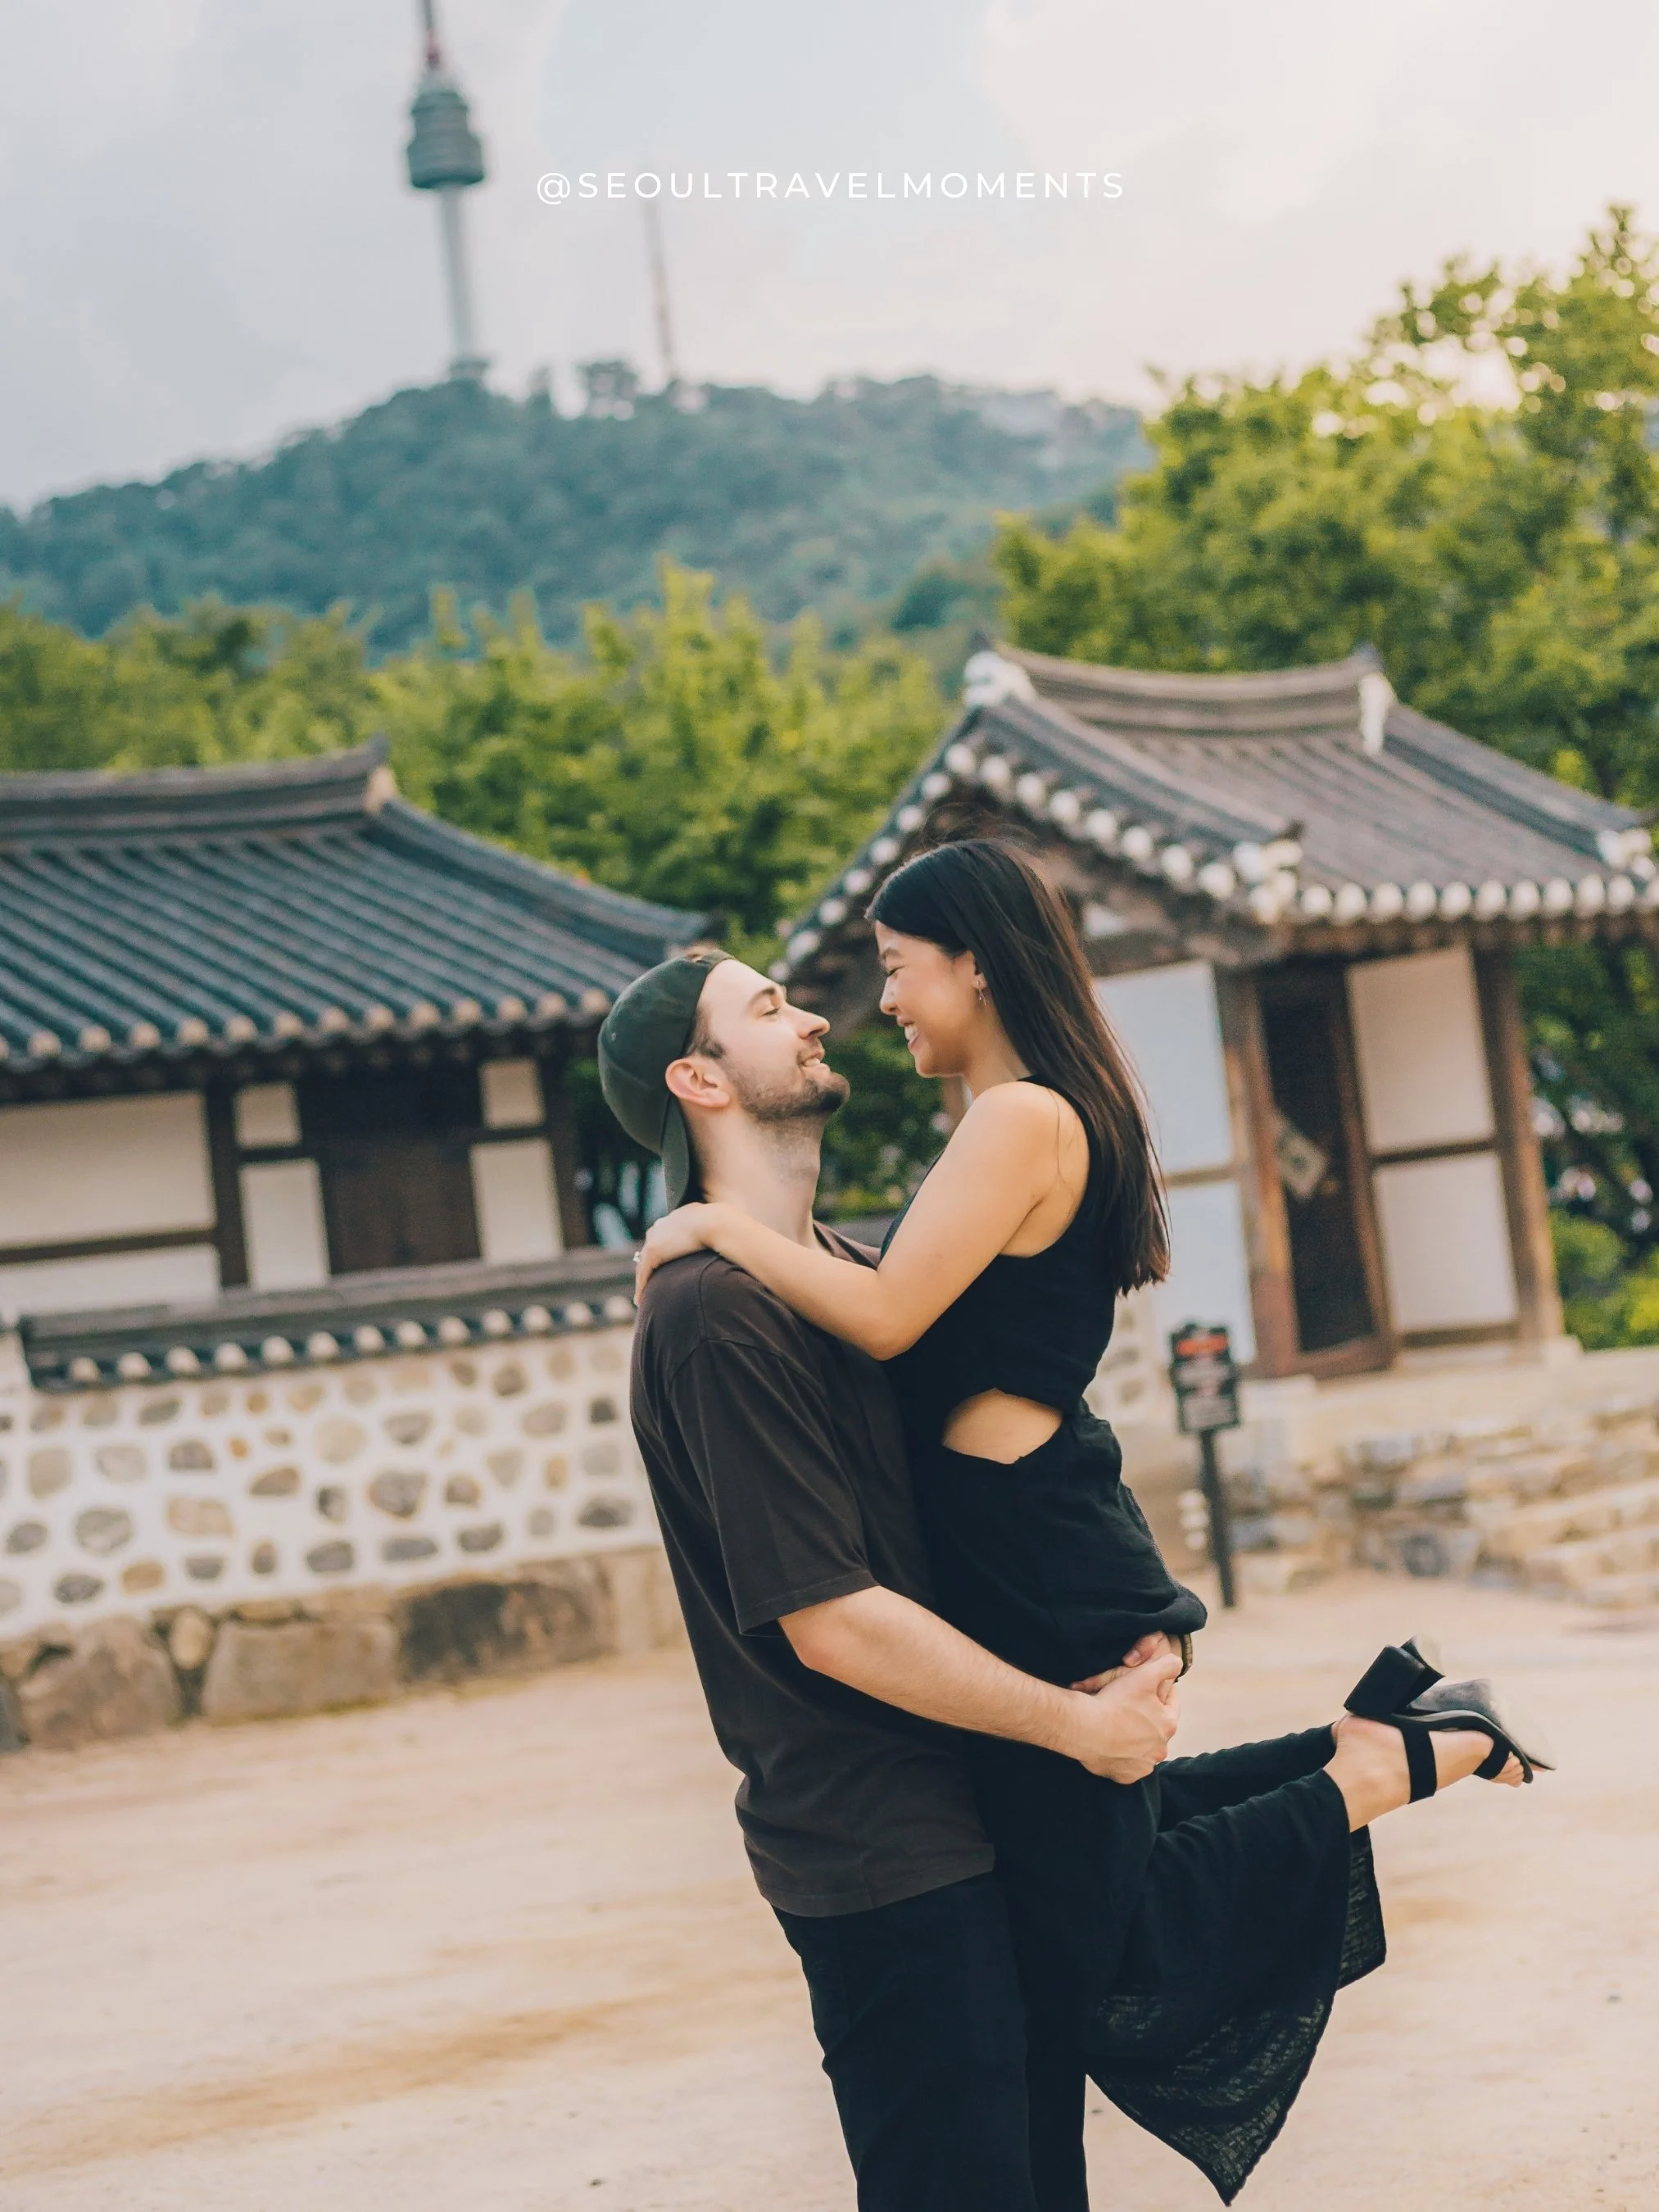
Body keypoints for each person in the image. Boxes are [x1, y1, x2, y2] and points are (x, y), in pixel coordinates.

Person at [636, 841, 1543, 2207]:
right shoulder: (759, 1293)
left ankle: (1385, 1761)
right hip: (979, 1650)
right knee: (1102, 1894)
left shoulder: (965, 1158)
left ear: (977, 961)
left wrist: (710, 1226)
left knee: (1106, 1912)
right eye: (776, 1005)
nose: (846, 1006)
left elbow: (898, 1328)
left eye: (890, 968)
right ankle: (1374, 1754)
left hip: (1032, 1556)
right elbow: (841, 1587)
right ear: (695, 1082)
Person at [597, 945, 1187, 2212]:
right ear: (697, 1077)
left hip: (982, 1811)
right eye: (769, 1008)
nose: (815, 1017)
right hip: (879, 1850)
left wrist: (1141, 1629)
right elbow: (837, 1625)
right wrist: (1078, 1726)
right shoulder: (712, 1315)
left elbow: (1031, 1449)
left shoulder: (862, 1279)